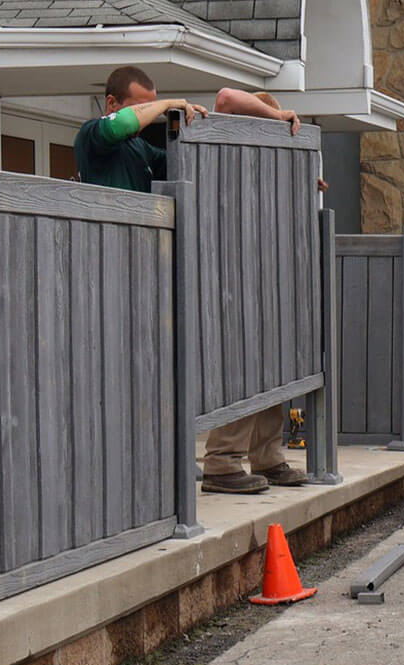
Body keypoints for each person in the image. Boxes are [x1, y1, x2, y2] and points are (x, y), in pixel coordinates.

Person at [199, 88, 311, 494]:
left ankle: (268, 456)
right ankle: (222, 463)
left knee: (271, 367)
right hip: (228, 282)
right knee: (239, 369)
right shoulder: (223, 151)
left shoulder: (266, 170)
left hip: (266, 282)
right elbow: (226, 97)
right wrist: (276, 116)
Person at [73, 66, 207, 193]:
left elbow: (182, 163)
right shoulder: (90, 133)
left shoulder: (140, 147)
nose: (150, 115)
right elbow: (124, 122)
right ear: (112, 103)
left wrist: (194, 124)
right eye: (141, 107)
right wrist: (166, 104)